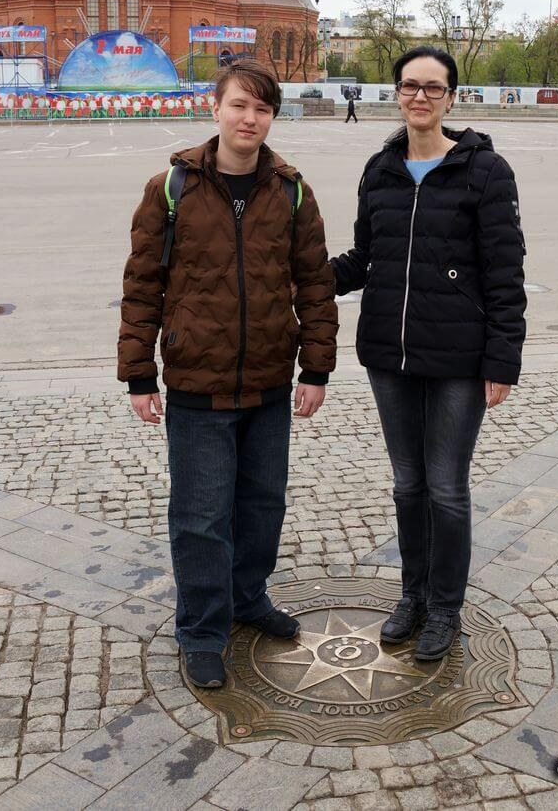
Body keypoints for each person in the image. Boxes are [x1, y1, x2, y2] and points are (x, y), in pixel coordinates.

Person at [118, 58, 338, 691]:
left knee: (263, 506)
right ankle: (203, 630)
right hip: (197, 385)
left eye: (262, 108)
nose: (250, 119)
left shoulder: (291, 191)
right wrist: (139, 374)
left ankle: (248, 598)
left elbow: (316, 286)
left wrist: (316, 367)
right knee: (201, 517)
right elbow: (142, 286)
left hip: (271, 381)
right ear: (215, 107)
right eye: (240, 105)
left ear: (272, 116)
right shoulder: (172, 187)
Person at [331, 46, 527, 661]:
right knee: (407, 485)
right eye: (410, 86)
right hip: (390, 353)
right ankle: (411, 595)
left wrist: (502, 359)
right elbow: (366, 259)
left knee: (446, 488)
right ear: (396, 93)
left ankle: (445, 609)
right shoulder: (379, 169)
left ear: (451, 97)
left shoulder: (485, 171)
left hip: (459, 361)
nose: (420, 97)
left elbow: (505, 273)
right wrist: (303, 278)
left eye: (433, 88)